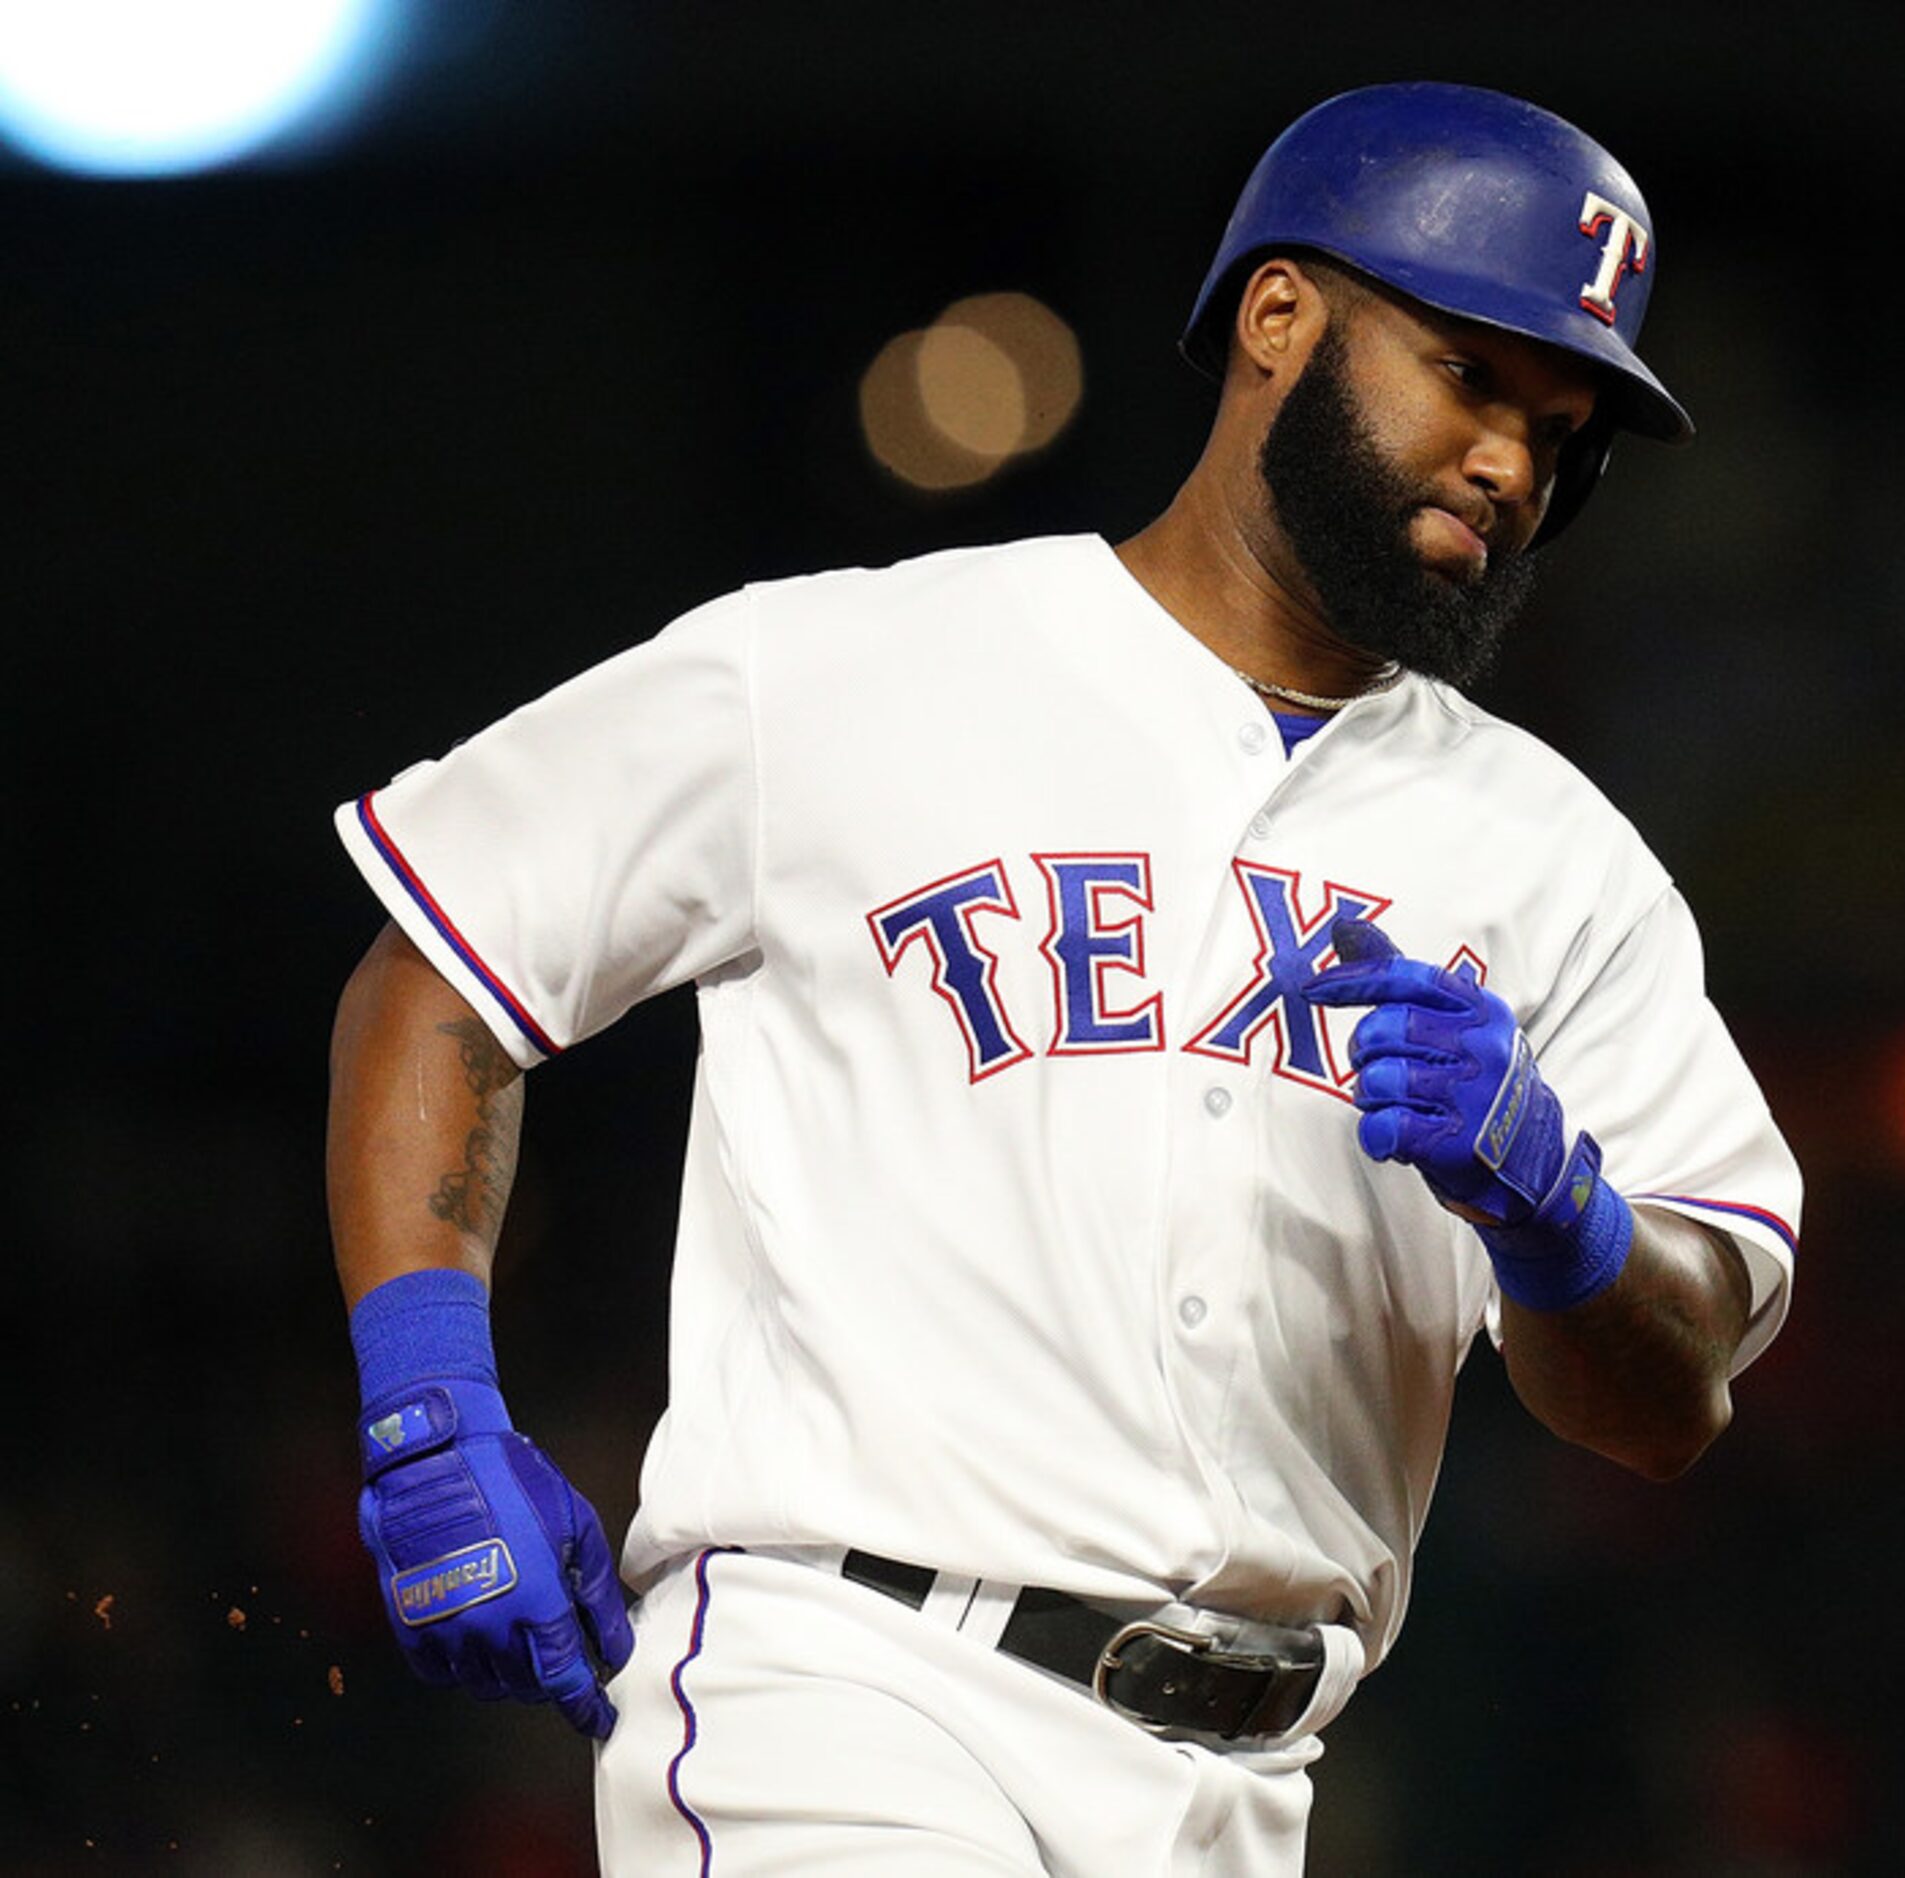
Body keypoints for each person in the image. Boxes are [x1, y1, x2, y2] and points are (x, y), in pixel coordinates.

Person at [325, 80, 1800, 1874]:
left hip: (1251, 1777)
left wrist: (1558, 1212)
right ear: (1279, 316)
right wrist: (428, 1403)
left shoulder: (1562, 864)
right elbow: (451, 958)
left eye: (1561, 428)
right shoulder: (855, 663)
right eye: (1471, 374)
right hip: (850, 1693)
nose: (1514, 461)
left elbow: (1670, 1397)